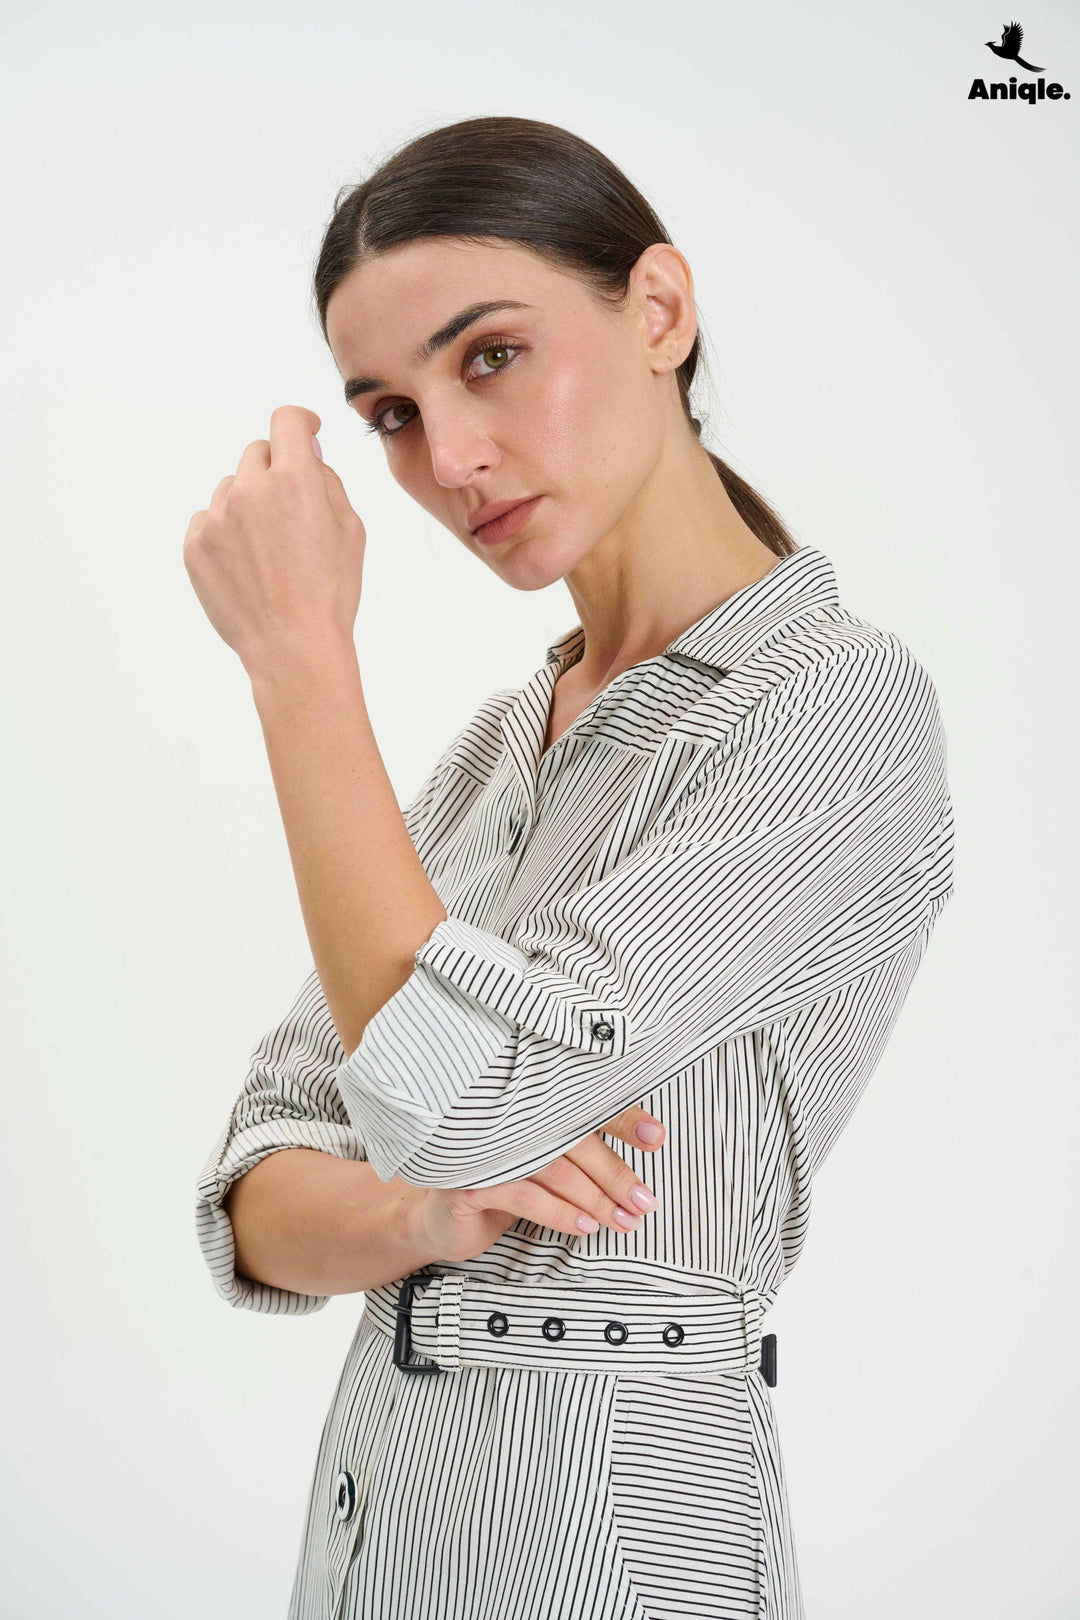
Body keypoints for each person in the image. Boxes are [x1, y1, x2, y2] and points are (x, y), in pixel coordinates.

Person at [189, 115, 954, 1620]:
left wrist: (296, 658)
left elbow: (455, 1100)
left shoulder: (833, 702)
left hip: (611, 1524)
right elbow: (253, 1188)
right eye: (391, 414)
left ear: (658, 311)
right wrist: (421, 1213)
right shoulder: (497, 749)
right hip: (372, 1514)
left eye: (489, 357)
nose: (449, 459)